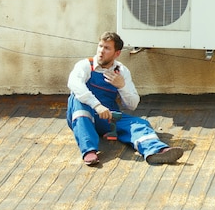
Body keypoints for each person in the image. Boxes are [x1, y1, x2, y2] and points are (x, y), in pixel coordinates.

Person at [66, 31, 183, 166]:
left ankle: (157, 151)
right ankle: (89, 151)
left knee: (140, 124)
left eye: (107, 48)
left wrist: (122, 86)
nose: (101, 51)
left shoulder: (122, 71)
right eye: (100, 46)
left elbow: (132, 104)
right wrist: (97, 106)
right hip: (83, 117)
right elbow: (74, 84)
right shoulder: (85, 65)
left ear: (117, 53)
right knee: (77, 99)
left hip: (107, 117)